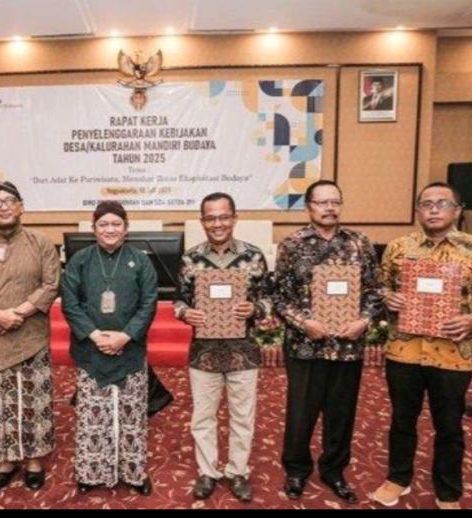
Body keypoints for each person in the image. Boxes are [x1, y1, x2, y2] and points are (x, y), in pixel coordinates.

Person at [370, 182, 472, 510]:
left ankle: (447, 491)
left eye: (442, 203)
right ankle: (398, 478)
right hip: (404, 350)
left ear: (457, 211)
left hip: (452, 354)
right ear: (418, 211)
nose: (433, 209)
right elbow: (380, 287)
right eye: (426, 204)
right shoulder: (398, 248)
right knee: (402, 420)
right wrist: (388, 297)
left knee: (449, 425)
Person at [271, 180, 383, 503]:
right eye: (322, 202)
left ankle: (334, 470)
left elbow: (376, 291)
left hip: (347, 347)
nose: (330, 208)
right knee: (300, 414)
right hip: (305, 347)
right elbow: (278, 296)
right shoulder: (292, 245)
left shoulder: (360, 243)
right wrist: (303, 323)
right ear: (309, 207)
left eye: (335, 202)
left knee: (341, 414)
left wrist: (364, 321)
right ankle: (296, 470)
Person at [0, 182, 61, 491]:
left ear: (21, 206)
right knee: (1, 401)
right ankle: (7, 459)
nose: (3, 206)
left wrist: (17, 313)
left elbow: (51, 284)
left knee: (35, 399)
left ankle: (34, 459)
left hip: (31, 336)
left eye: (9, 200)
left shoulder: (41, 243)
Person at [174, 192, 272, 503]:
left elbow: (269, 299)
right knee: (203, 416)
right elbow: (178, 300)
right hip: (203, 352)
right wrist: (185, 313)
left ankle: (237, 471)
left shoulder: (253, 256)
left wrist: (255, 308)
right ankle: (208, 471)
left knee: (242, 416)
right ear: (202, 221)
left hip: (243, 351)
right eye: (211, 218)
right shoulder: (190, 258)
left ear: (234, 218)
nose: (217, 224)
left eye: (223, 217)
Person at [60, 200, 158, 495]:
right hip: (92, 350)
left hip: (130, 350)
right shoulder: (80, 260)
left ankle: (134, 472)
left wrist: (125, 336)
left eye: (116, 224)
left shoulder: (141, 261)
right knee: (93, 415)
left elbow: (149, 303)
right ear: (94, 228)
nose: (110, 229)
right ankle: (90, 472)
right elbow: (70, 303)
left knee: (131, 415)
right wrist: (95, 336)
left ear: (126, 228)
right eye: (103, 224)